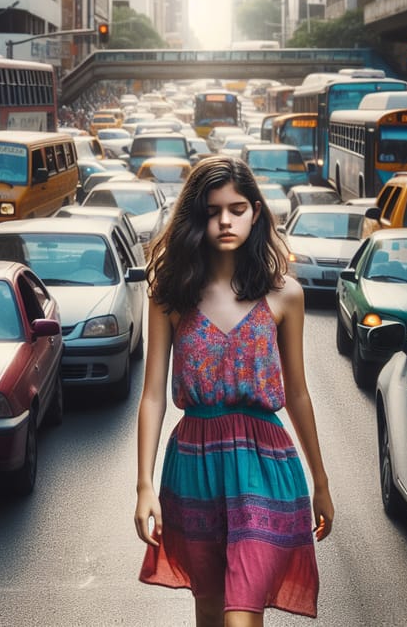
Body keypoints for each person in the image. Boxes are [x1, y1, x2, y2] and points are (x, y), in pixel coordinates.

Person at [134, 156, 334, 626]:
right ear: (195, 216)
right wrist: (144, 485)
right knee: (209, 609)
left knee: (241, 614)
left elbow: (299, 394)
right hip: (195, 467)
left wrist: (320, 482)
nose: (225, 220)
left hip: (265, 469)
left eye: (237, 208)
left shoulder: (285, 295)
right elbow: (152, 397)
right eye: (211, 210)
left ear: (256, 213)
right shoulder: (170, 293)